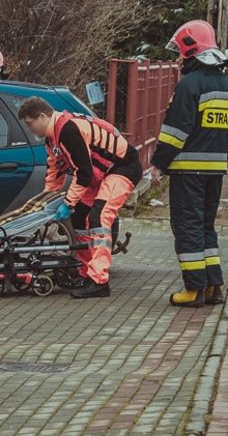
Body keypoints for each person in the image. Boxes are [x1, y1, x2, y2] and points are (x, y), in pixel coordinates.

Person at [151, 20, 228, 308]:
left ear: (191, 48)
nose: (177, 57)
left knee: (187, 226)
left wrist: (158, 165)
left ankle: (194, 289)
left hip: (188, 171)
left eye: (179, 51)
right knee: (205, 226)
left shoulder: (189, 84)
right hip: (216, 171)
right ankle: (214, 284)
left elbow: (176, 131)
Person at [18, 96, 141, 299]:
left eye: (31, 124)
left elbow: (83, 172)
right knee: (79, 218)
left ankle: (99, 280)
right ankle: (86, 273)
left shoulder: (67, 130)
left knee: (99, 218)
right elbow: (55, 171)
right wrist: (47, 199)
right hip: (102, 173)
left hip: (122, 168)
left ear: (42, 116)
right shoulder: (52, 138)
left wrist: (68, 203)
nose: (31, 130)